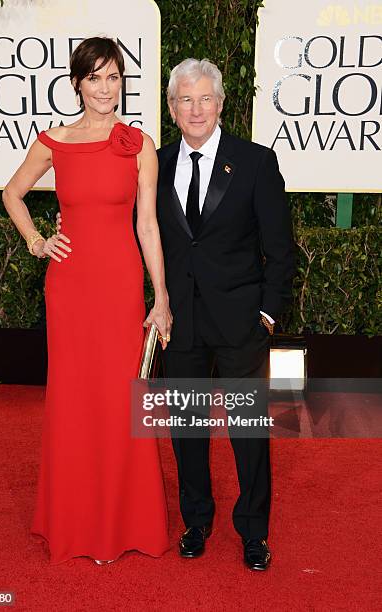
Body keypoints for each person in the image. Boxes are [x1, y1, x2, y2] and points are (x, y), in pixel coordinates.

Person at [2, 37, 172, 565]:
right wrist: (36, 241)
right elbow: (12, 193)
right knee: (76, 400)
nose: (105, 88)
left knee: (121, 398)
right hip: (70, 286)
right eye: (94, 77)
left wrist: (160, 298)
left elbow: (148, 225)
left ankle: (123, 524)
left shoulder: (138, 143)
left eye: (114, 76)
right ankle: (77, 525)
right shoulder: (53, 140)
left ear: (123, 82)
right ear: (77, 83)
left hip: (121, 286)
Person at [156, 59, 295, 570]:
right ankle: (196, 521)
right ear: (172, 109)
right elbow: (141, 237)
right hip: (181, 324)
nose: (196, 109)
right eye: (185, 100)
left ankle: (254, 531)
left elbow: (280, 247)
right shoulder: (156, 162)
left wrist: (267, 314)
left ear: (220, 104)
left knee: (248, 431)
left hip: (241, 324)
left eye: (204, 99)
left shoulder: (256, 162)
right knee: (187, 428)